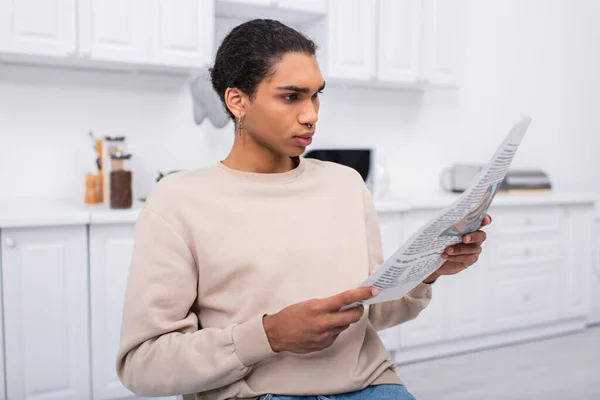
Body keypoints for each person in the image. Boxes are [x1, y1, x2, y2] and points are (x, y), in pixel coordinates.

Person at [116, 19, 491, 400]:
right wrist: (268, 336)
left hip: (368, 385)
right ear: (237, 100)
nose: (311, 114)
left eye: (315, 95)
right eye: (291, 96)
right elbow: (143, 365)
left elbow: (373, 313)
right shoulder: (178, 200)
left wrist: (428, 272)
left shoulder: (345, 184)